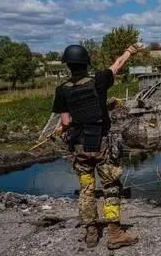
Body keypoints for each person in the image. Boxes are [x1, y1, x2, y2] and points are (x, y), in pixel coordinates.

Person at [52, 42, 144, 249]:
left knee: (86, 189)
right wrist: (129, 50)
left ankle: (91, 233)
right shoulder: (99, 81)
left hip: (79, 147)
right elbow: (117, 65)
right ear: (86, 63)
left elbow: (66, 123)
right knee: (111, 187)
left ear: (68, 65)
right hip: (100, 145)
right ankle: (114, 234)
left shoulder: (62, 90)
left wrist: (62, 130)